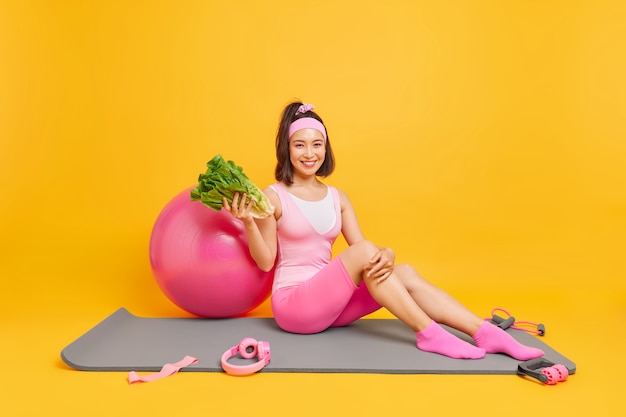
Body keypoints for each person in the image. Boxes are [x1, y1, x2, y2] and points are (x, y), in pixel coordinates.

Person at [223, 101, 544, 360]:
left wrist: (387, 255)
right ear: (288, 150)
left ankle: (486, 333)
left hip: (332, 307)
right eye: (300, 145)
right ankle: (429, 334)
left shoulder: (338, 198)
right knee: (367, 255)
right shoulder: (273, 196)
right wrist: (249, 220)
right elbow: (266, 262)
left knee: (402, 271)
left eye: (317, 144)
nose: (310, 154)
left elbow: (367, 257)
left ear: (326, 149)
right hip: (294, 307)